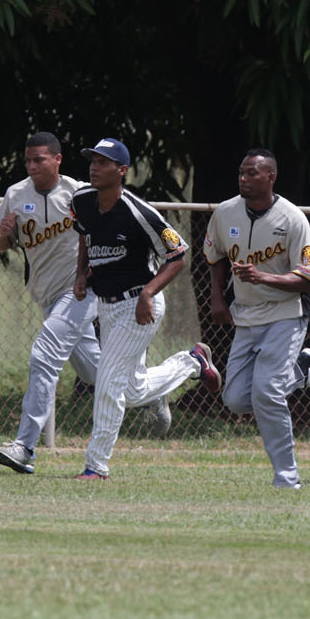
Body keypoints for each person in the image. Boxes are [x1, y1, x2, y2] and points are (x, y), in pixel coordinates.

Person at [0, 132, 172, 476]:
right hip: (45, 295)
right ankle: (148, 393)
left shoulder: (76, 191)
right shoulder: (15, 194)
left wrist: (84, 274)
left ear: (57, 160)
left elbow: (90, 234)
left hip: (79, 292)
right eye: (28, 160)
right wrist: (3, 233)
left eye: (39, 159)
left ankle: (24, 446)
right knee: (102, 376)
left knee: (43, 355)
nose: (32, 166)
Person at [70, 137, 218, 480]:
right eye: (92, 160)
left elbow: (177, 255)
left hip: (140, 305)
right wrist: (81, 273)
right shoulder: (82, 200)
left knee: (107, 382)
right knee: (133, 391)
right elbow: (84, 235)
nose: (94, 166)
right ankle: (191, 362)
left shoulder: (140, 212)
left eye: (103, 162)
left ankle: (96, 466)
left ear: (121, 171)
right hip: (107, 307)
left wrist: (148, 294)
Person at [204, 148, 310, 489]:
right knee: (235, 399)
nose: (244, 178)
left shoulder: (292, 218)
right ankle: (302, 371)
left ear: (270, 177)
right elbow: (213, 256)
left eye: (252, 173)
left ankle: (287, 476)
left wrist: (264, 277)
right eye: (241, 172)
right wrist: (216, 297)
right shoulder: (226, 212)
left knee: (268, 392)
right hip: (246, 314)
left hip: (287, 312)